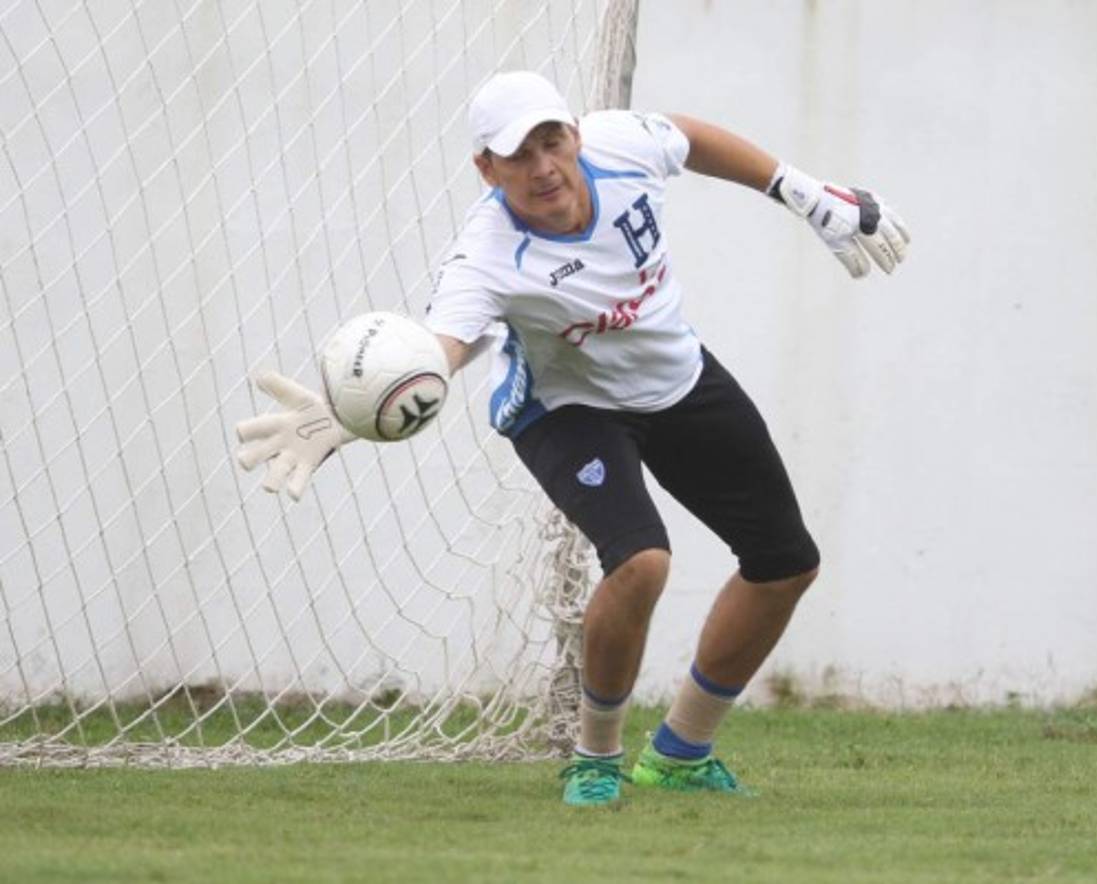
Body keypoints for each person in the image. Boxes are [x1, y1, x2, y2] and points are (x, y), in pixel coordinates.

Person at [236, 70, 909, 806]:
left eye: (552, 142)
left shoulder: (622, 146)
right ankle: (595, 757)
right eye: (517, 156)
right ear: (486, 169)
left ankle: (681, 753)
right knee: (641, 561)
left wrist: (803, 193)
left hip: (676, 377)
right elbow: (438, 354)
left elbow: (690, 138)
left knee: (785, 565)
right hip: (565, 408)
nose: (543, 167)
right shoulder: (485, 255)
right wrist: (347, 416)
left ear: (576, 136)